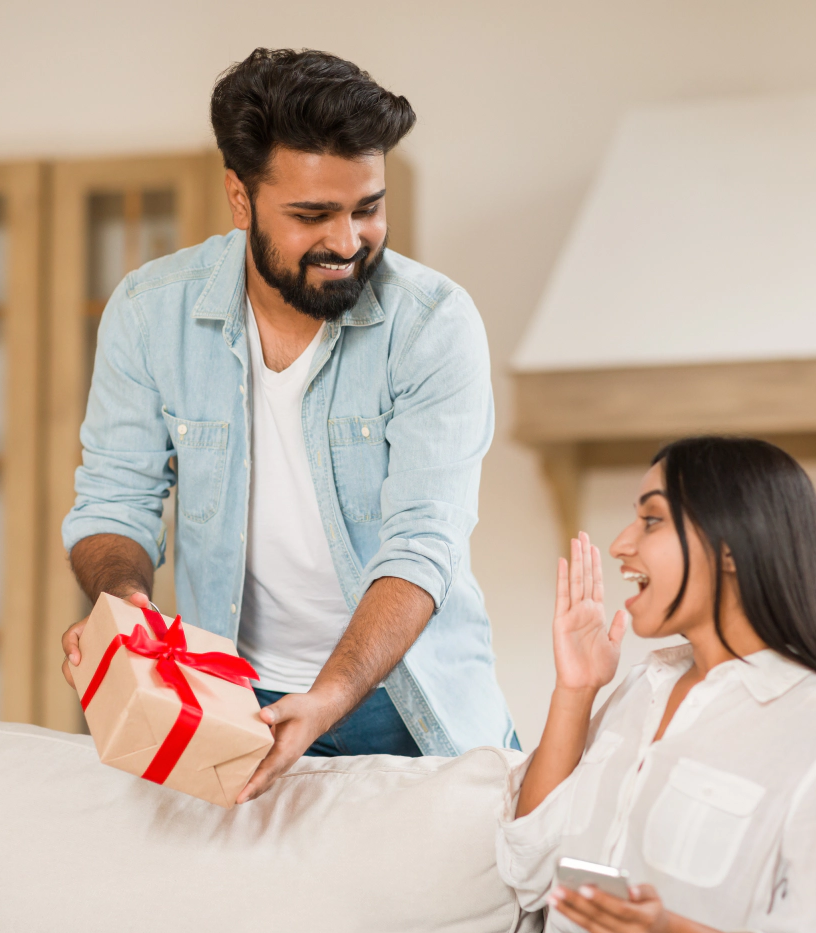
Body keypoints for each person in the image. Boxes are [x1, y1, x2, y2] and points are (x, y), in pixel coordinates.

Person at [59, 48, 516, 803]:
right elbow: (113, 504)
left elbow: (423, 542)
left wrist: (330, 696)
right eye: (312, 215)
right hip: (237, 698)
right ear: (240, 199)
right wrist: (125, 604)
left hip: (406, 704)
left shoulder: (435, 323)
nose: (346, 241)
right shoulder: (149, 313)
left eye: (366, 207)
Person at [498, 437, 816, 933]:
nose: (621, 544)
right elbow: (528, 871)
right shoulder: (643, 689)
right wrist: (575, 690)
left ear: (730, 547)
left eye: (652, 521)